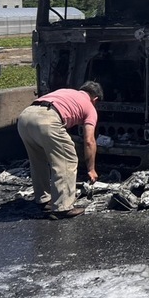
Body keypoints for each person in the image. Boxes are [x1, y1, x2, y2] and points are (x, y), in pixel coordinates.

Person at [17, 81, 103, 219]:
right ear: (95, 99)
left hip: (25, 117)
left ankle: (43, 200)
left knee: (37, 160)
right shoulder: (90, 107)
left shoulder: (66, 92)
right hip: (48, 119)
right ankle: (62, 207)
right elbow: (89, 141)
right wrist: (91, 169)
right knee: (67, 160)